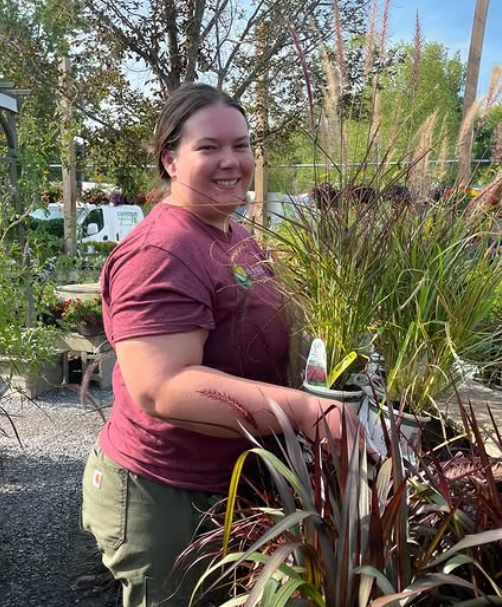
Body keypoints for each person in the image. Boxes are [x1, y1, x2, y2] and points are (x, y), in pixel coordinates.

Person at [82, 83, 354, 607]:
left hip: (231, 486)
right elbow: (164, 388)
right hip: (167, 495)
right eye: (209, 148)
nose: (232, 161)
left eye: (242, 145)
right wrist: (304, 412)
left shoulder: (231, 231)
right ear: (171, 161)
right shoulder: (162, 252)